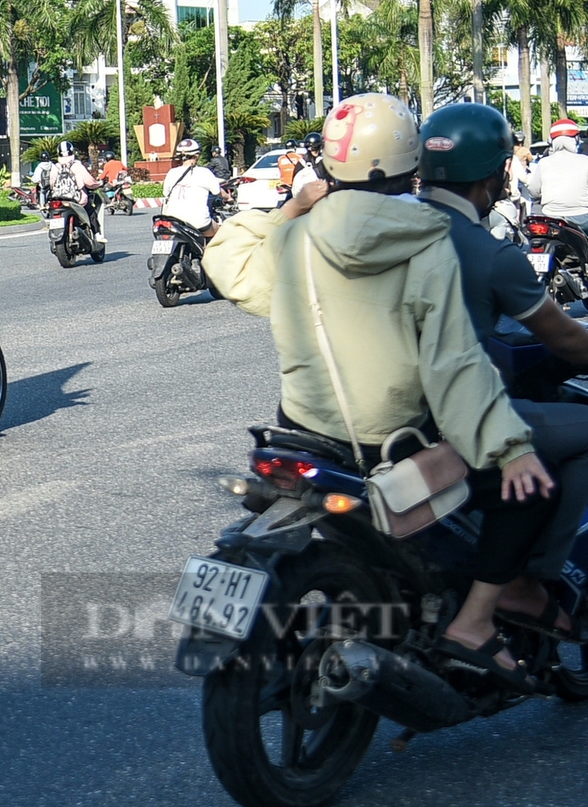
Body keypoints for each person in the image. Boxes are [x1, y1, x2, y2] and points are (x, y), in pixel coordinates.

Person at [205, 93, 557, 689]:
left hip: (304, 433)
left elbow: (228, 265)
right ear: (408, 164)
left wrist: (290, 209)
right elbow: (455, 366)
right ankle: (472, 623)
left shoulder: (296, 239)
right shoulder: (426, 242)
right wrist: (510, 448)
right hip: (390, 444)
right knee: (528, 490)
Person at [417, 103, 588, 639]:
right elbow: (562, 334)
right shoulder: (490, 253)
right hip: (448, 415)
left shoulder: (383, 229)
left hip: (358, 411)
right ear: (496, 173)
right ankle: (530, 579)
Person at [521, 118, 588, 275]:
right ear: (575, 139)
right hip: (581, 217)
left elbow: (533, 191)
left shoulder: (544, 163)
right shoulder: (585, 161)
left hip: (551, 218)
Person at [160, 138, 226, 234]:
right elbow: (218, 192)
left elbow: (165, 193)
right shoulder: (204, 172)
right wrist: (229, 198)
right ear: (196, 156)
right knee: (219, 235)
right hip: (198, 222)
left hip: (173, 221)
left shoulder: (172, 172)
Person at [45, 141, 102, 240]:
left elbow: (51, 183)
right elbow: (90, 182)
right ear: (72, 152)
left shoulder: (55, 167)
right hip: (77, 199)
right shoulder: (77, 166)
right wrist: (99, 184)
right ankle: (97, 235)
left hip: (58, 199)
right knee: (91, 212)